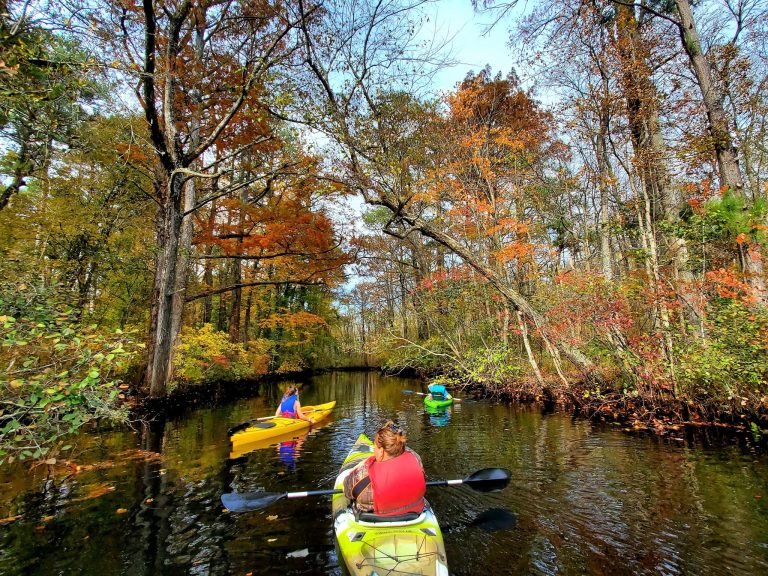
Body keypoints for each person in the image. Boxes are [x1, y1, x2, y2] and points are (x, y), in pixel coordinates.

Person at [343, 420, 426, 516]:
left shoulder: (364, 474)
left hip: (373, 519)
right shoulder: (416, 458)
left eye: (375, 447)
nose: (374, 451)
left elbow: (347, 490)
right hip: (413, 516)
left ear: (381, 451)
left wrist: (363, 464)